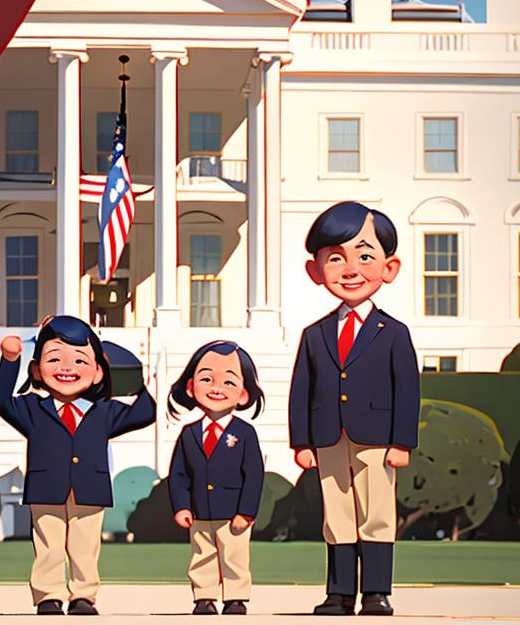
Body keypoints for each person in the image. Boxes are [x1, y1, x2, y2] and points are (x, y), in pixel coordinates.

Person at [288, 201, 420, 616]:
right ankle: (339, 592)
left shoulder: (394, 333)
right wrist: (301, 441)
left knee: (377, 514)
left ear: (389, 268)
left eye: (365, 256)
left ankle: (377, 592)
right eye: (335, 258)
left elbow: (408, 390)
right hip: (328, 438)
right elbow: (301, 391)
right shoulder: (315, 334)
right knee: (337, 516)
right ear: (316, 271)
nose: (350, 269)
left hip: (377, 439)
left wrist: (403, 441)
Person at [0, 315, 156, 615]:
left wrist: (139, 383)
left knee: (85, 547)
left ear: (97, 373)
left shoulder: (104, 411)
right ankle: (48, 595)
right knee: (47, 545)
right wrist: (9, 360)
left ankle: (84, 595)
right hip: (45, 486)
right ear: (37, 370)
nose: (67, 369)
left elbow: (144, 414)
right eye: (54, 359)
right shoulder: (31, 408)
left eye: (80, 361)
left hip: (89, 488)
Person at [167, 341, 265, 616]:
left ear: (244, 394)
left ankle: (236, 597)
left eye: (228, 382)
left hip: (233, 511)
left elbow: (254, 475)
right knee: (202, 555)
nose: (216, 388)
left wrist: (246, 511)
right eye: (207, 379)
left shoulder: (245, 433)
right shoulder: (189, 434)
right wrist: (181, 506)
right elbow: (178, 474)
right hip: (199, 511)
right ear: (191, 387)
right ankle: (204, 596)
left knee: (234, 555)